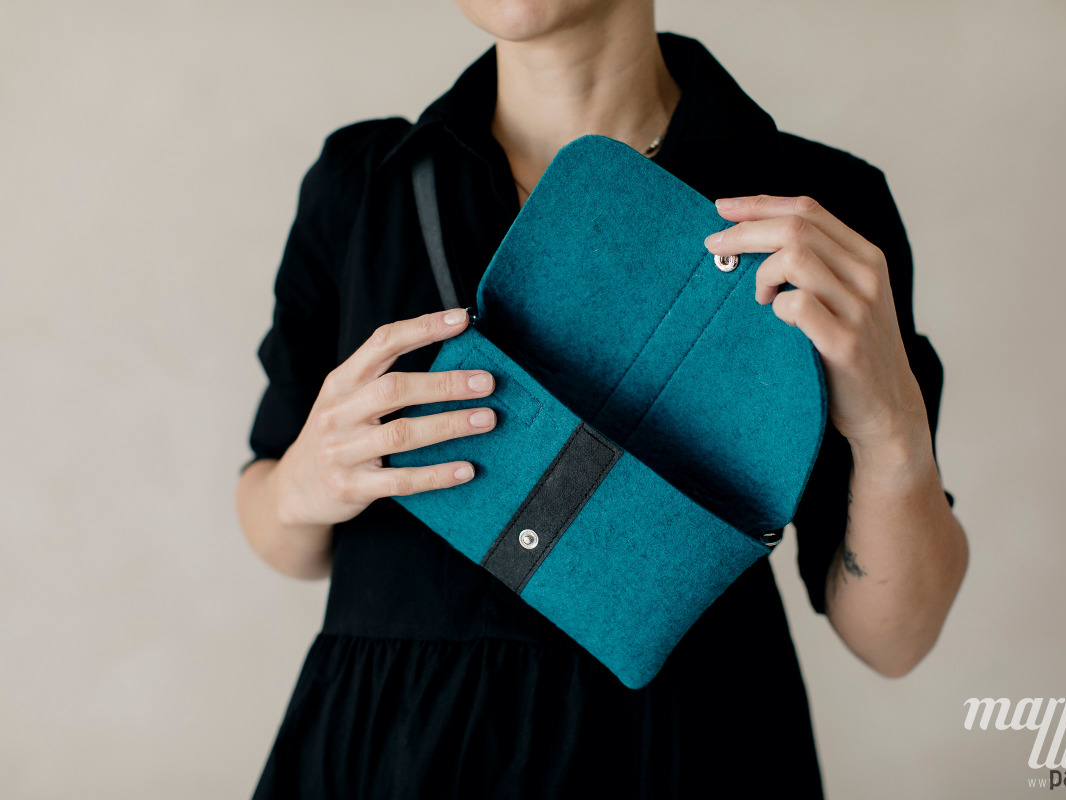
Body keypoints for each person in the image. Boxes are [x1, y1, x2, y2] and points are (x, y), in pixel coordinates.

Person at [235, 1, 969, 797]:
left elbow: (896, 640)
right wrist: (302, 481)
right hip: (391, 754)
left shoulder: (817, 212)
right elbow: (280, 532)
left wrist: (895, 434)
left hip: (685, 757)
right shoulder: (362, 185)